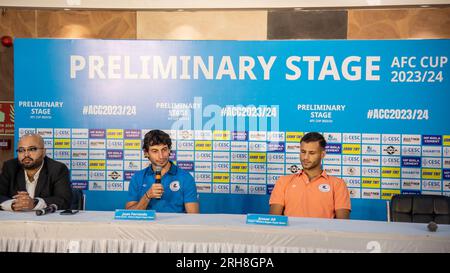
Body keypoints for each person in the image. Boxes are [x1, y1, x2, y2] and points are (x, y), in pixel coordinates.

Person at [269, 132, 351, 219]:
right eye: (303, 152)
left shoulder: (338, 184)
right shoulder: (283, 181)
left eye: (312, 153)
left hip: (324, 233)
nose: (305, 157)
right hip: (290, 233)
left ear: (322, 154)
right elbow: (275, 221)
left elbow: (343, 225)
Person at [125, 129, 199, 213]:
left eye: (164, 149)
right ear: (146, 153)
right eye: (155, 151)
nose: (161, 156)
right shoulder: (137, 177)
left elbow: (194, 216)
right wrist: (147, 196)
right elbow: (129, 214)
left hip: (175, 226)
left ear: (169, 150)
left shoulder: (186, 178)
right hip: (146, 226)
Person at [0, 134, 72, 211]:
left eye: (32, 149)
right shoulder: (10, 167)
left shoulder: (57, 169)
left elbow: (64, 200)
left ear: (44, 152)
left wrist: (34, 203)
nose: (26, 154)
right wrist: (14, 204)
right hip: (16, 220)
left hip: (45, 220)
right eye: (21, 150)